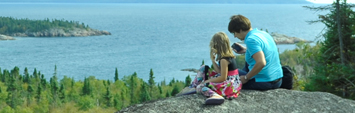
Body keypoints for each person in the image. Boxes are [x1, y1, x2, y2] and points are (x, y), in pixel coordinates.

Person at [228, 14, 283, 90]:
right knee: (248, 63)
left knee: (228, 72)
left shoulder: (250, 40)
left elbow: (261, 62)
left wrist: (246, 78)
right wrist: (246, 50)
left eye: (234, 33)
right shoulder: (263, 33)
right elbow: (264, 51)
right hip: (277, 79)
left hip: (264, 82)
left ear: (240, 30)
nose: (235, 36)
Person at [190, 32, 242, 105]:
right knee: (204, 67)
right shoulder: (226, 56)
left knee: (201, 86)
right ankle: (193, 86)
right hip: (231, 82)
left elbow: (223, 77)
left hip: (228, 86)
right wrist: (213, 60)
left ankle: (215, 95)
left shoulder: (224, 59)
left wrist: (208, 81)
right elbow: (219, 72)